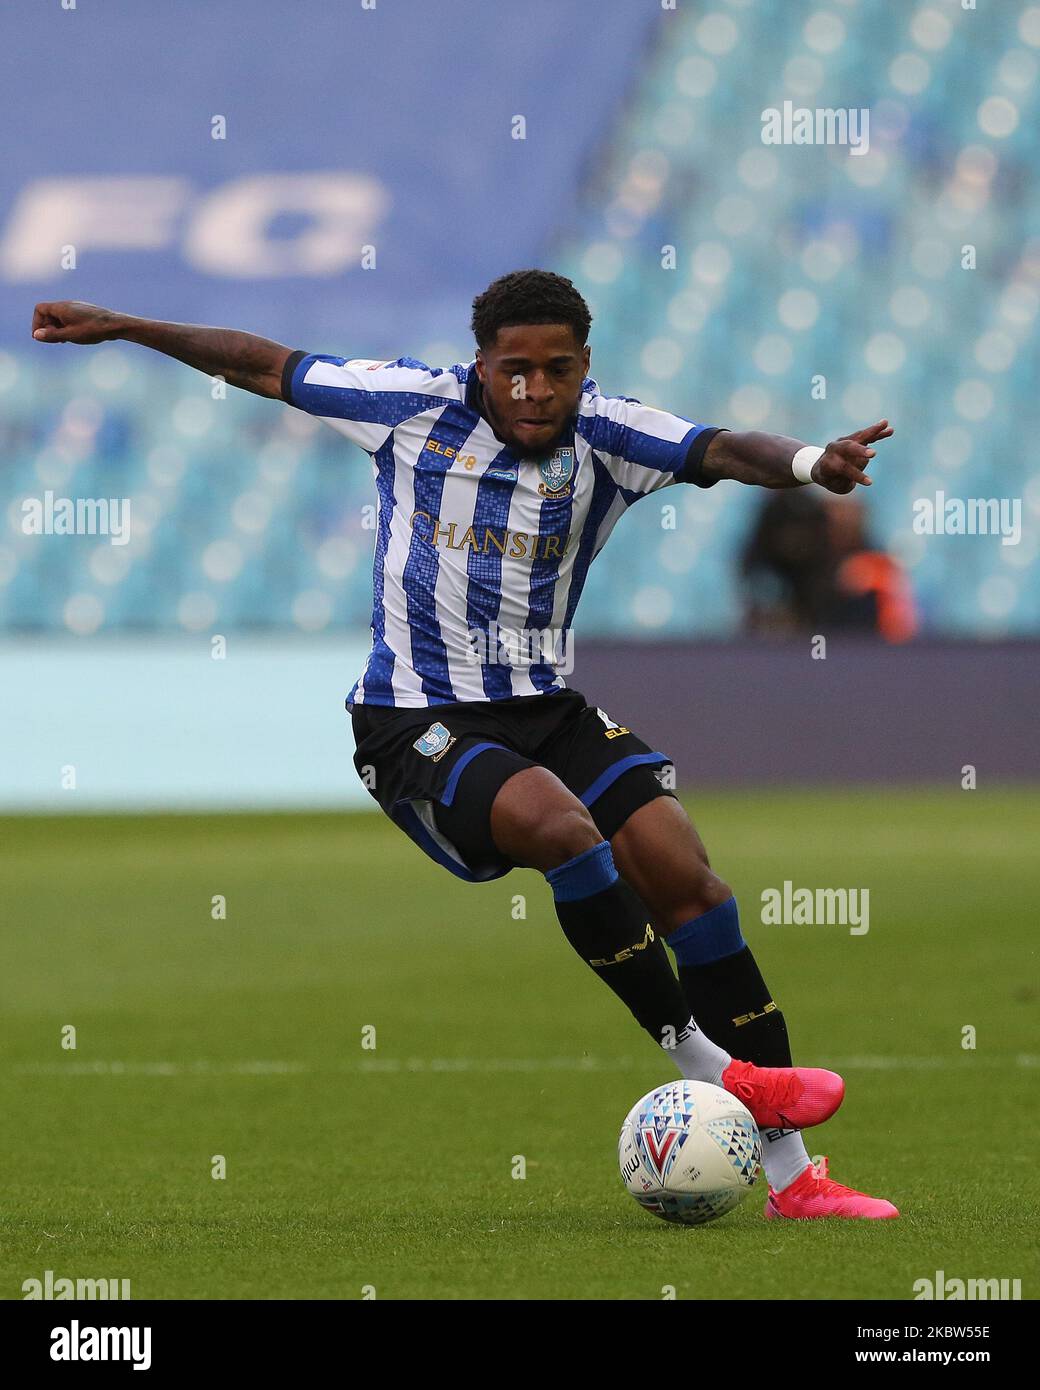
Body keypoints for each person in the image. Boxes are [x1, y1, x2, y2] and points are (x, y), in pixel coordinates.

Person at [31, 268, 898, 1219]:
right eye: (513, 370)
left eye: (555, 370)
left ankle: (793, 1181)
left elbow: (725, 447)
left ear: (584, 367)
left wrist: (813, 462)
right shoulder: (408, 406)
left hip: (547, 706)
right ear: (480, 364)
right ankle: (716, 1066)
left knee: (687, 877)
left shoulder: (612, 434)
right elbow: (264, 365)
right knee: (566, 832)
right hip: (415, 716)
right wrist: (125, 324)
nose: (534, 390)